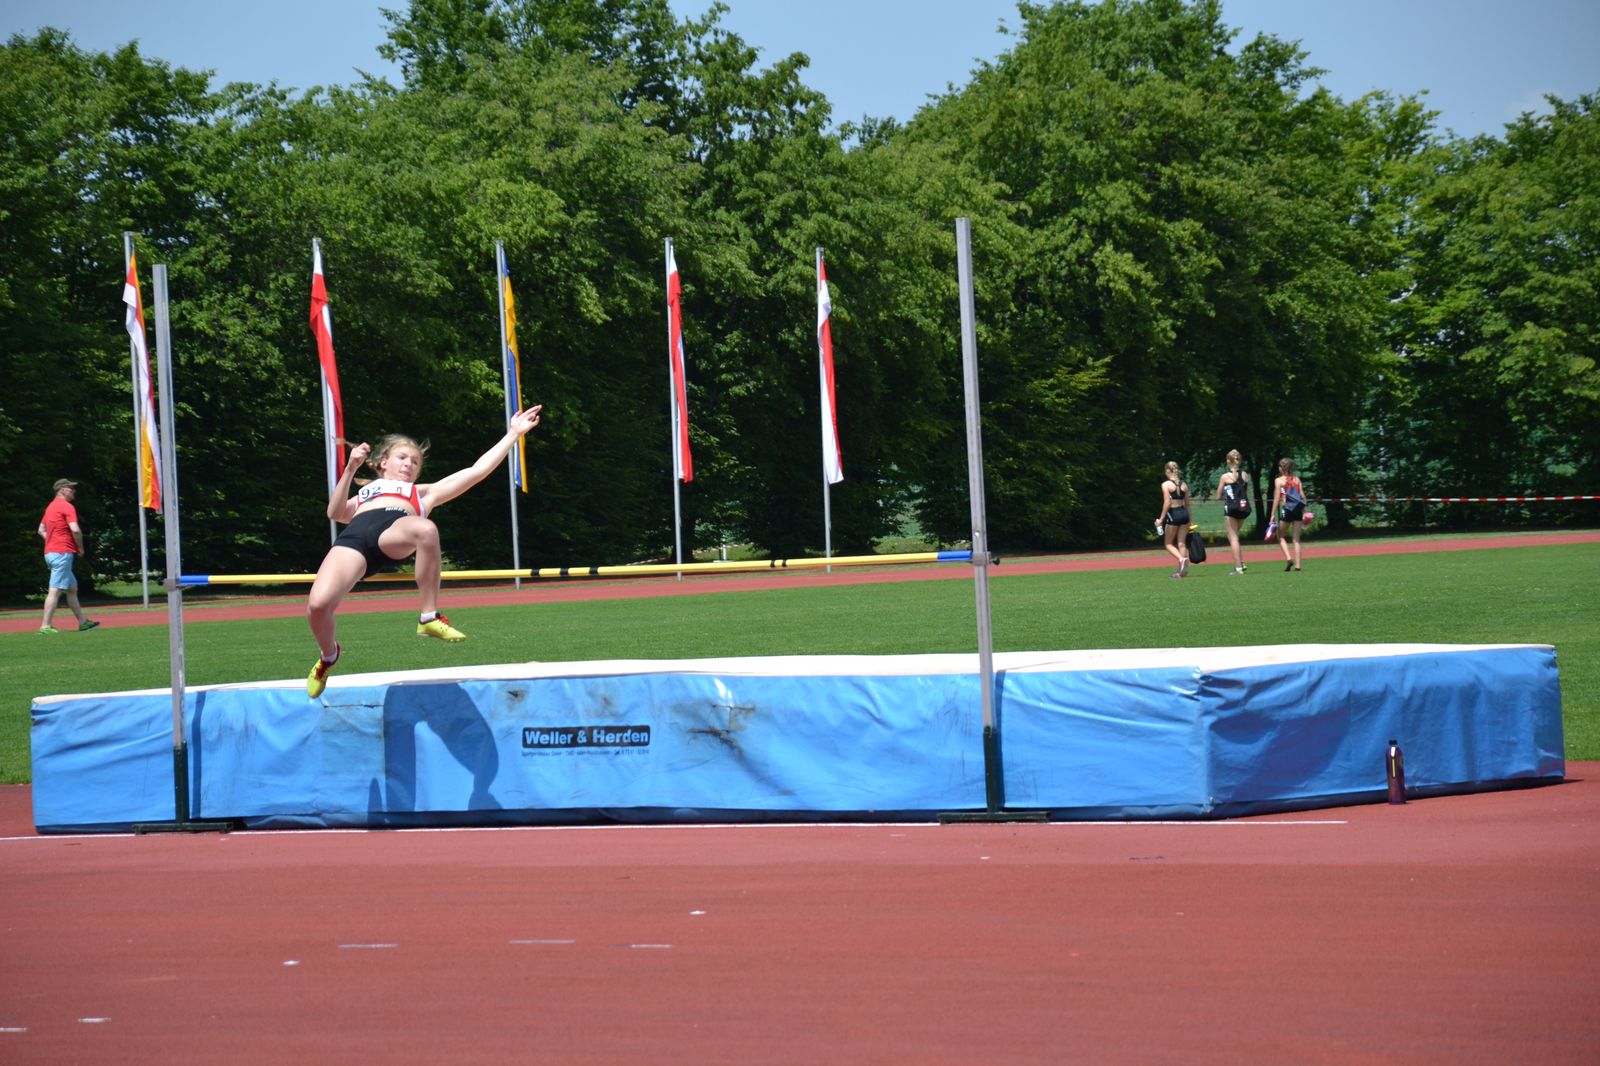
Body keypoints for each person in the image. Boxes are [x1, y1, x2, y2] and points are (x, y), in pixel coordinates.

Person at [306, 405, 542, 698]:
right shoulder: (364, 494)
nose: (409, 464)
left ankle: (429, 616)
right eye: (402, 457)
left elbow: (477, 471)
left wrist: (513, 434)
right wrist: (350, 468)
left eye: (415, 461)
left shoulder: (424, 493)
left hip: (396, 532)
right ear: (383, 462)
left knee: (426, 529)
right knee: (318, 606)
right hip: (354, 540)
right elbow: (335, 512)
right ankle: (328, 656)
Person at [37, 478, 100, 634]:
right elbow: (75, 529)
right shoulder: (66, 506)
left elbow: (41, 529)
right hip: (62, 553)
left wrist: (51, 541)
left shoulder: (50, 507)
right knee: (55, 591)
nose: (74, 491)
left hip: (51, 553)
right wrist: (80, 547)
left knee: (72, 588)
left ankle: (83, 623)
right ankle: (45, 626)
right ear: (62, 490)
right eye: (71, 488)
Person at [1214, 450, 1251, 576]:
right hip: (1243, 508)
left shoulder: (1225, 477)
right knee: (1233, 536)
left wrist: (1225, 495)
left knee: (1233, 538)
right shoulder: (1245, 475)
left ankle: (1238, 568)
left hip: (1230, 509)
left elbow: (1218, 496)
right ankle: (1241, 562)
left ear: (1228, 461)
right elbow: (1244, 491)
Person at [1154, 460, 1191, 579]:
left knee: (1168, 544)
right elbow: (1188, 504)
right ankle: (1182, 571)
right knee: (1181, 543)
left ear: (1167, 471)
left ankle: (1181, 559)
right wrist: (1190, 519)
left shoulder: (1166, 485)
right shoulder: (1184, 485)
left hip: (1174, 514)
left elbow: (1167, 502)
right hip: (1184, 514)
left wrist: (1161, 519)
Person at [1270, 457, 1308, 572]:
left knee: (1280, 535)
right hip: (1298, 509)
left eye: (1279, 466)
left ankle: (1289, 558)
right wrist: (1305, 510)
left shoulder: (1278, 480)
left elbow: (1277, 498)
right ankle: (1298, 566)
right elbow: (1302, 495)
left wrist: (1272, 514)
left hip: (1287, 509)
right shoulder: (1297, 479)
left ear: (1282, 468)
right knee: (1296, 539)